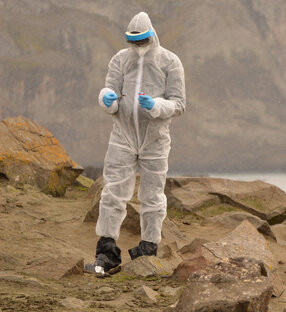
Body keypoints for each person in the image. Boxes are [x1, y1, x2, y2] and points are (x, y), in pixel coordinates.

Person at [85, 12, 186, 275]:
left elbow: (179, 103)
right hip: (123, 136)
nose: (138, 46)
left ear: (151, 36)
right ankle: (106, 251)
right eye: (134, 41)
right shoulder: (120, 60)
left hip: (155, 138)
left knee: (153, 195)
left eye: (142, 41)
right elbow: (111, 90)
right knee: (113, 193)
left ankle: (148, 247)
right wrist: (107, 100)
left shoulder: (170, 62)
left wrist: (156, 106)